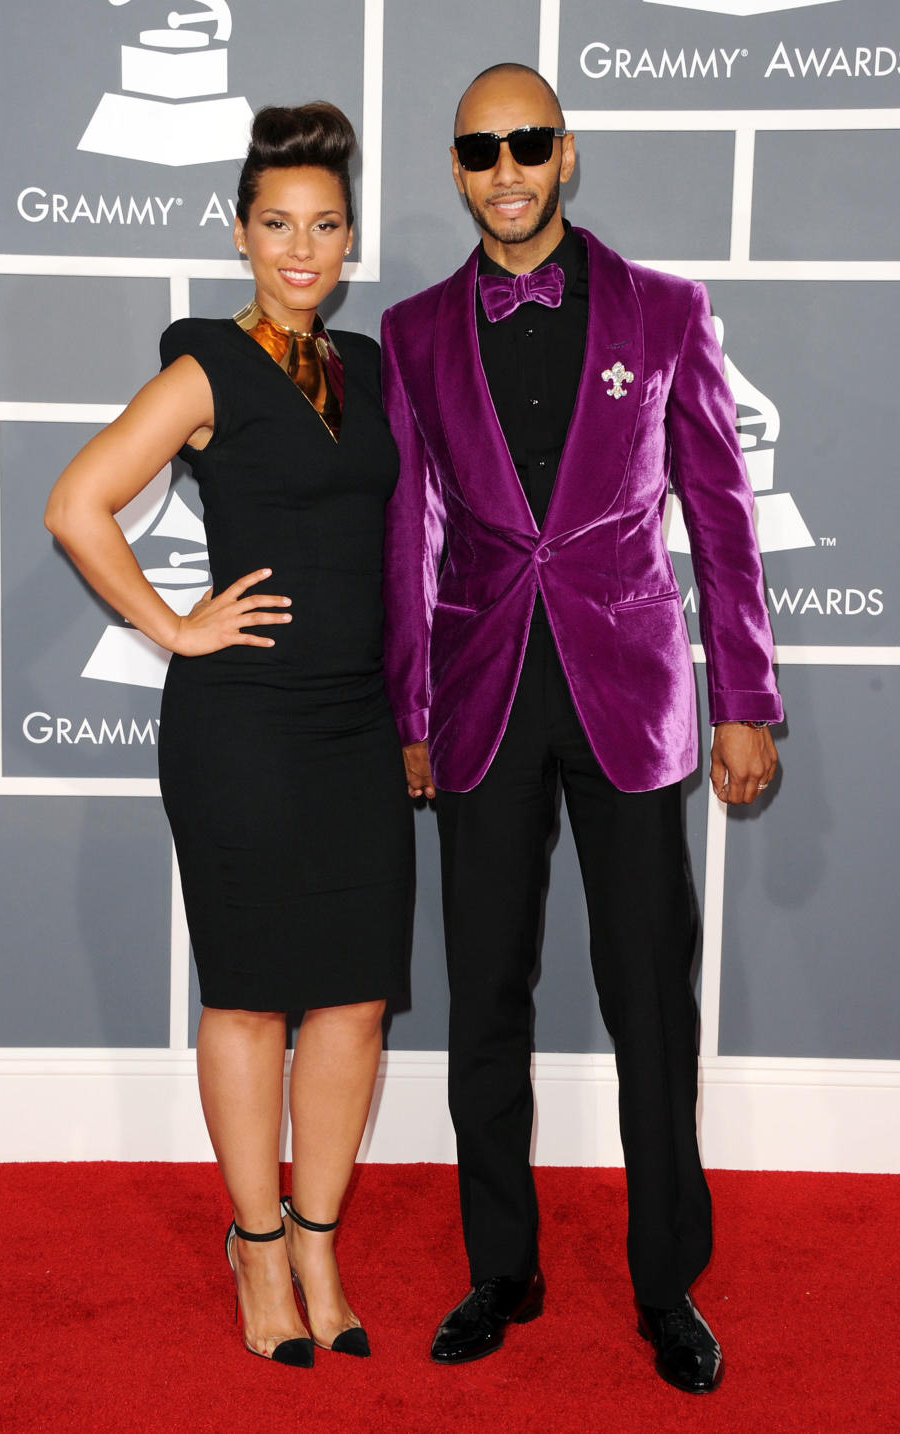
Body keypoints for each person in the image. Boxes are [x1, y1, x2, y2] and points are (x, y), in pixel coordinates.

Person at [380, 63, 782, 1393]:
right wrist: (411, 702)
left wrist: (747, 699)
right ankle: (504, 1264)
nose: (506, 166)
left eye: (529, 142)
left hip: (632, 695)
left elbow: (722, 519)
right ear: (456, 167)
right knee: (485, 995)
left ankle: (668, 1281)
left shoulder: (666, 312)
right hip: (485, 688)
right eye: (481, 147)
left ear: (567, 153)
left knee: (650, 999)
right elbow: (408, 535)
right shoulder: (416, 332)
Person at [45, 102, 413, 1368]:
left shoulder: (368, 368)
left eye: (323, 226)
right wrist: (174, 626)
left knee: (356, 1001)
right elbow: (78, 500)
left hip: (356, 722)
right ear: (241, 234)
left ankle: (319, 1234)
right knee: (253, 998)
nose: (300, 250)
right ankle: (257, 1249)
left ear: (350, 237)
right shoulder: (208, 363)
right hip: (242, 729)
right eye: (276, 225)